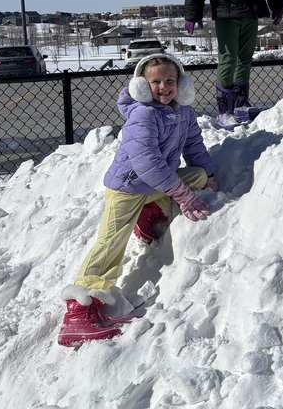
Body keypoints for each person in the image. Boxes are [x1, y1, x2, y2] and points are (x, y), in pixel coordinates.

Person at [57, 54, 216, 347]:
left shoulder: (183, 112)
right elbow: (148, 165)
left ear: (181, 84)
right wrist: (183, 195)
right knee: (111, 241)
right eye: (155, 82)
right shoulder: (143, 115)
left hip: (153, 185)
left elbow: (193, 144)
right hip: (128, 188)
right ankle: (80, 312)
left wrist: (208, 172)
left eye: (170, 81)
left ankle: (148, 213)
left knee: (195, 175)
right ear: (142, 86)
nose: (164, 87)